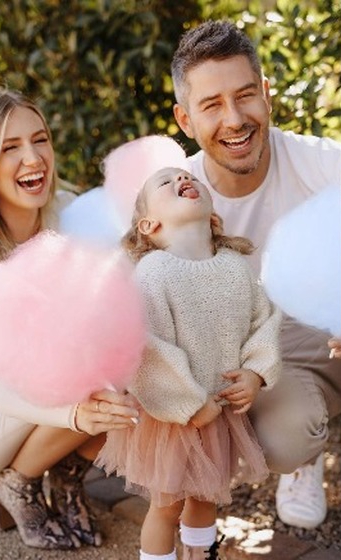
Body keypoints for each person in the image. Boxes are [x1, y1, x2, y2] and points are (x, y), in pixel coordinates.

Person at [0, 88, 140, 550]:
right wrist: (77, 413)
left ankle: (66, 479)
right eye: (9, 147)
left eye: (39, 139)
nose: (33, 157)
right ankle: (17, 484)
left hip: (59, 392)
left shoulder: (69, 209)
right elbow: (0, 388)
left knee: (123, 361)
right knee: (87, 380)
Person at [170, 20, 341, 529]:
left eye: (246, 95)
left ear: (267, 95)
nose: (235, 118)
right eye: (212, 105)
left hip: (323, 337)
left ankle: (320, 452)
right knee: (276, 436)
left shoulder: (323, 164)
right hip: (244, 352)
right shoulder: (174, 195)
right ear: (184, 119)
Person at [95, 167, 281, 560]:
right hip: (172, 418)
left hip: (220, 411)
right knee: (166, 506)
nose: (184, 179)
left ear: (211, 211)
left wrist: (255, 371)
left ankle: (200, 555)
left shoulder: (234, 266)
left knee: (205, 498)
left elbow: (262, 322)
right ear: (149, 223)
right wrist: (190, 403)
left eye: (188, 177)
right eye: (166, 182)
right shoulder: (153, 273)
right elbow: (146, 350)